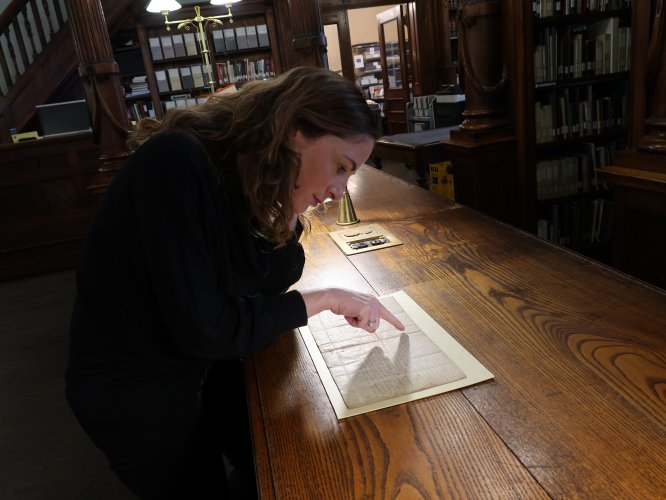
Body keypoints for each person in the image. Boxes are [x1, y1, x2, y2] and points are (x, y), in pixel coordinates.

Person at [65, 66, 405, 499]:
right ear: (295, 131)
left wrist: (288, 210)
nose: (340, 191)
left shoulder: (244, 175)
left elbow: (266, 279)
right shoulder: (176, 163)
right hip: (130, 386)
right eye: (340, 167)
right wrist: (324, 299)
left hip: (189, 364)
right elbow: (206, 326)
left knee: (263, 458)